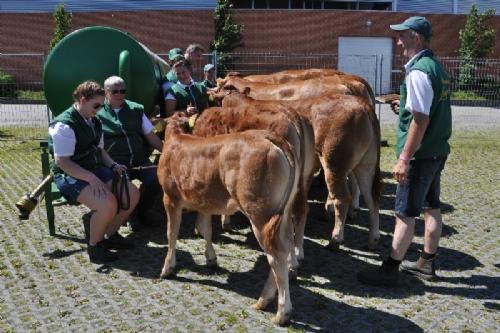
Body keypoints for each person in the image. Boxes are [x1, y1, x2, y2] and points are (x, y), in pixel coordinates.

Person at [357, 16, 452, 287]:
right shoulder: (437, 68)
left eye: (402, 36)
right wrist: (405, 104)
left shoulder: (419, 72)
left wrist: (403, 159)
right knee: (431, 207)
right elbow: (429, 110)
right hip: (436, 151)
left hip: (419, 157)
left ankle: (390, 270)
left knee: (404, 214)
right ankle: (426, 263)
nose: (398, 42)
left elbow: (421, 121)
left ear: (416, 38)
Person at [49, 81, 140, 263]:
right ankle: (95, 247)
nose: (99, 109)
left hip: (95, 169)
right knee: (107, 204)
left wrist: (114, 165)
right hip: (70, 175)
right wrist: (91, 179)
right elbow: (63, 162)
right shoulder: (64, 125)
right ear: (82, 100)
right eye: (96, 105)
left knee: (132, 194)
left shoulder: (94, 120)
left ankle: (111, 234)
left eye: (101, 105)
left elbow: (100, 151)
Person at [97, 76, 164, 231]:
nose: (120, 94)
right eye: (115, 91)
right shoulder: (98, 114)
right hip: (116, 164)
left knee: (156, 177)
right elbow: (97, 147)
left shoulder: (136, 109)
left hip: (140, 160)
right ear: (106, 92)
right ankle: (129, 214)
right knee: (125, 189)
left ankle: (143, 211)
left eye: (123, 91)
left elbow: (150, 135)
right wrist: (112, 165)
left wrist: (166, 152)